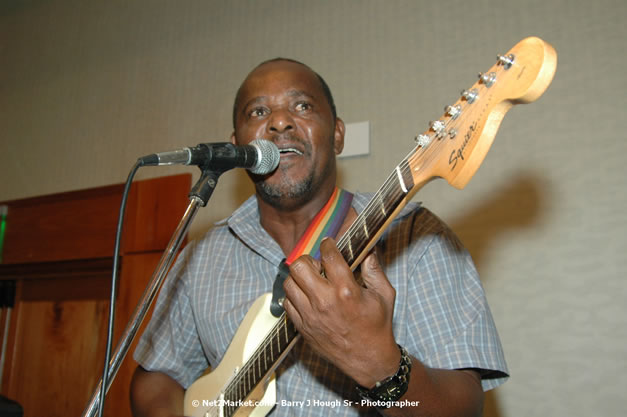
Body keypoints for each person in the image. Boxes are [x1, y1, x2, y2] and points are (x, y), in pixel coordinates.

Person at [130, 58, 508, 417]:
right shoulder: (202, 256)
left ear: (337, 135)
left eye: (302, 107)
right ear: (237, 144)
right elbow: (155, 378)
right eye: (258, 112)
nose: (279, 122)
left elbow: (463, 408)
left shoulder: (419, 237)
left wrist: (380, 364)